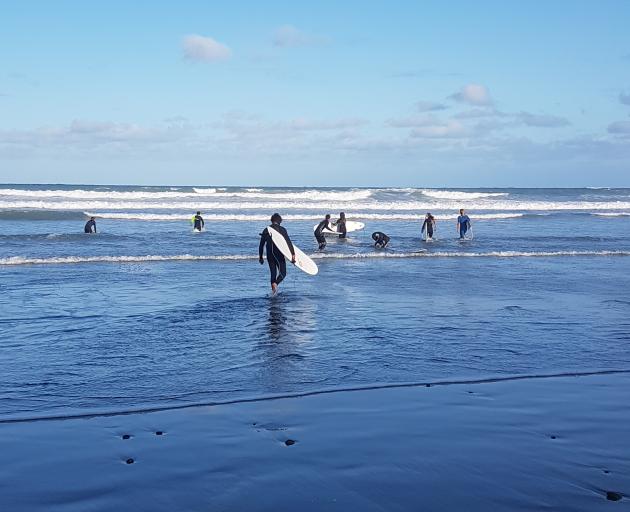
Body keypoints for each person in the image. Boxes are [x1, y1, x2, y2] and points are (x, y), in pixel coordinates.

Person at [259, 213, 296, 294]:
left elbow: (261, 245)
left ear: (272, 220)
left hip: (269, 254)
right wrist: (293, 255)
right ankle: (275, 284)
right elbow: (288, 243)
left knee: (273, 273)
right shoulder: (282, 229)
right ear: (280, 220)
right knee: (283, 273)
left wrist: (261, 257)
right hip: (278, 254)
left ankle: (274, 293)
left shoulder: (266, 229)